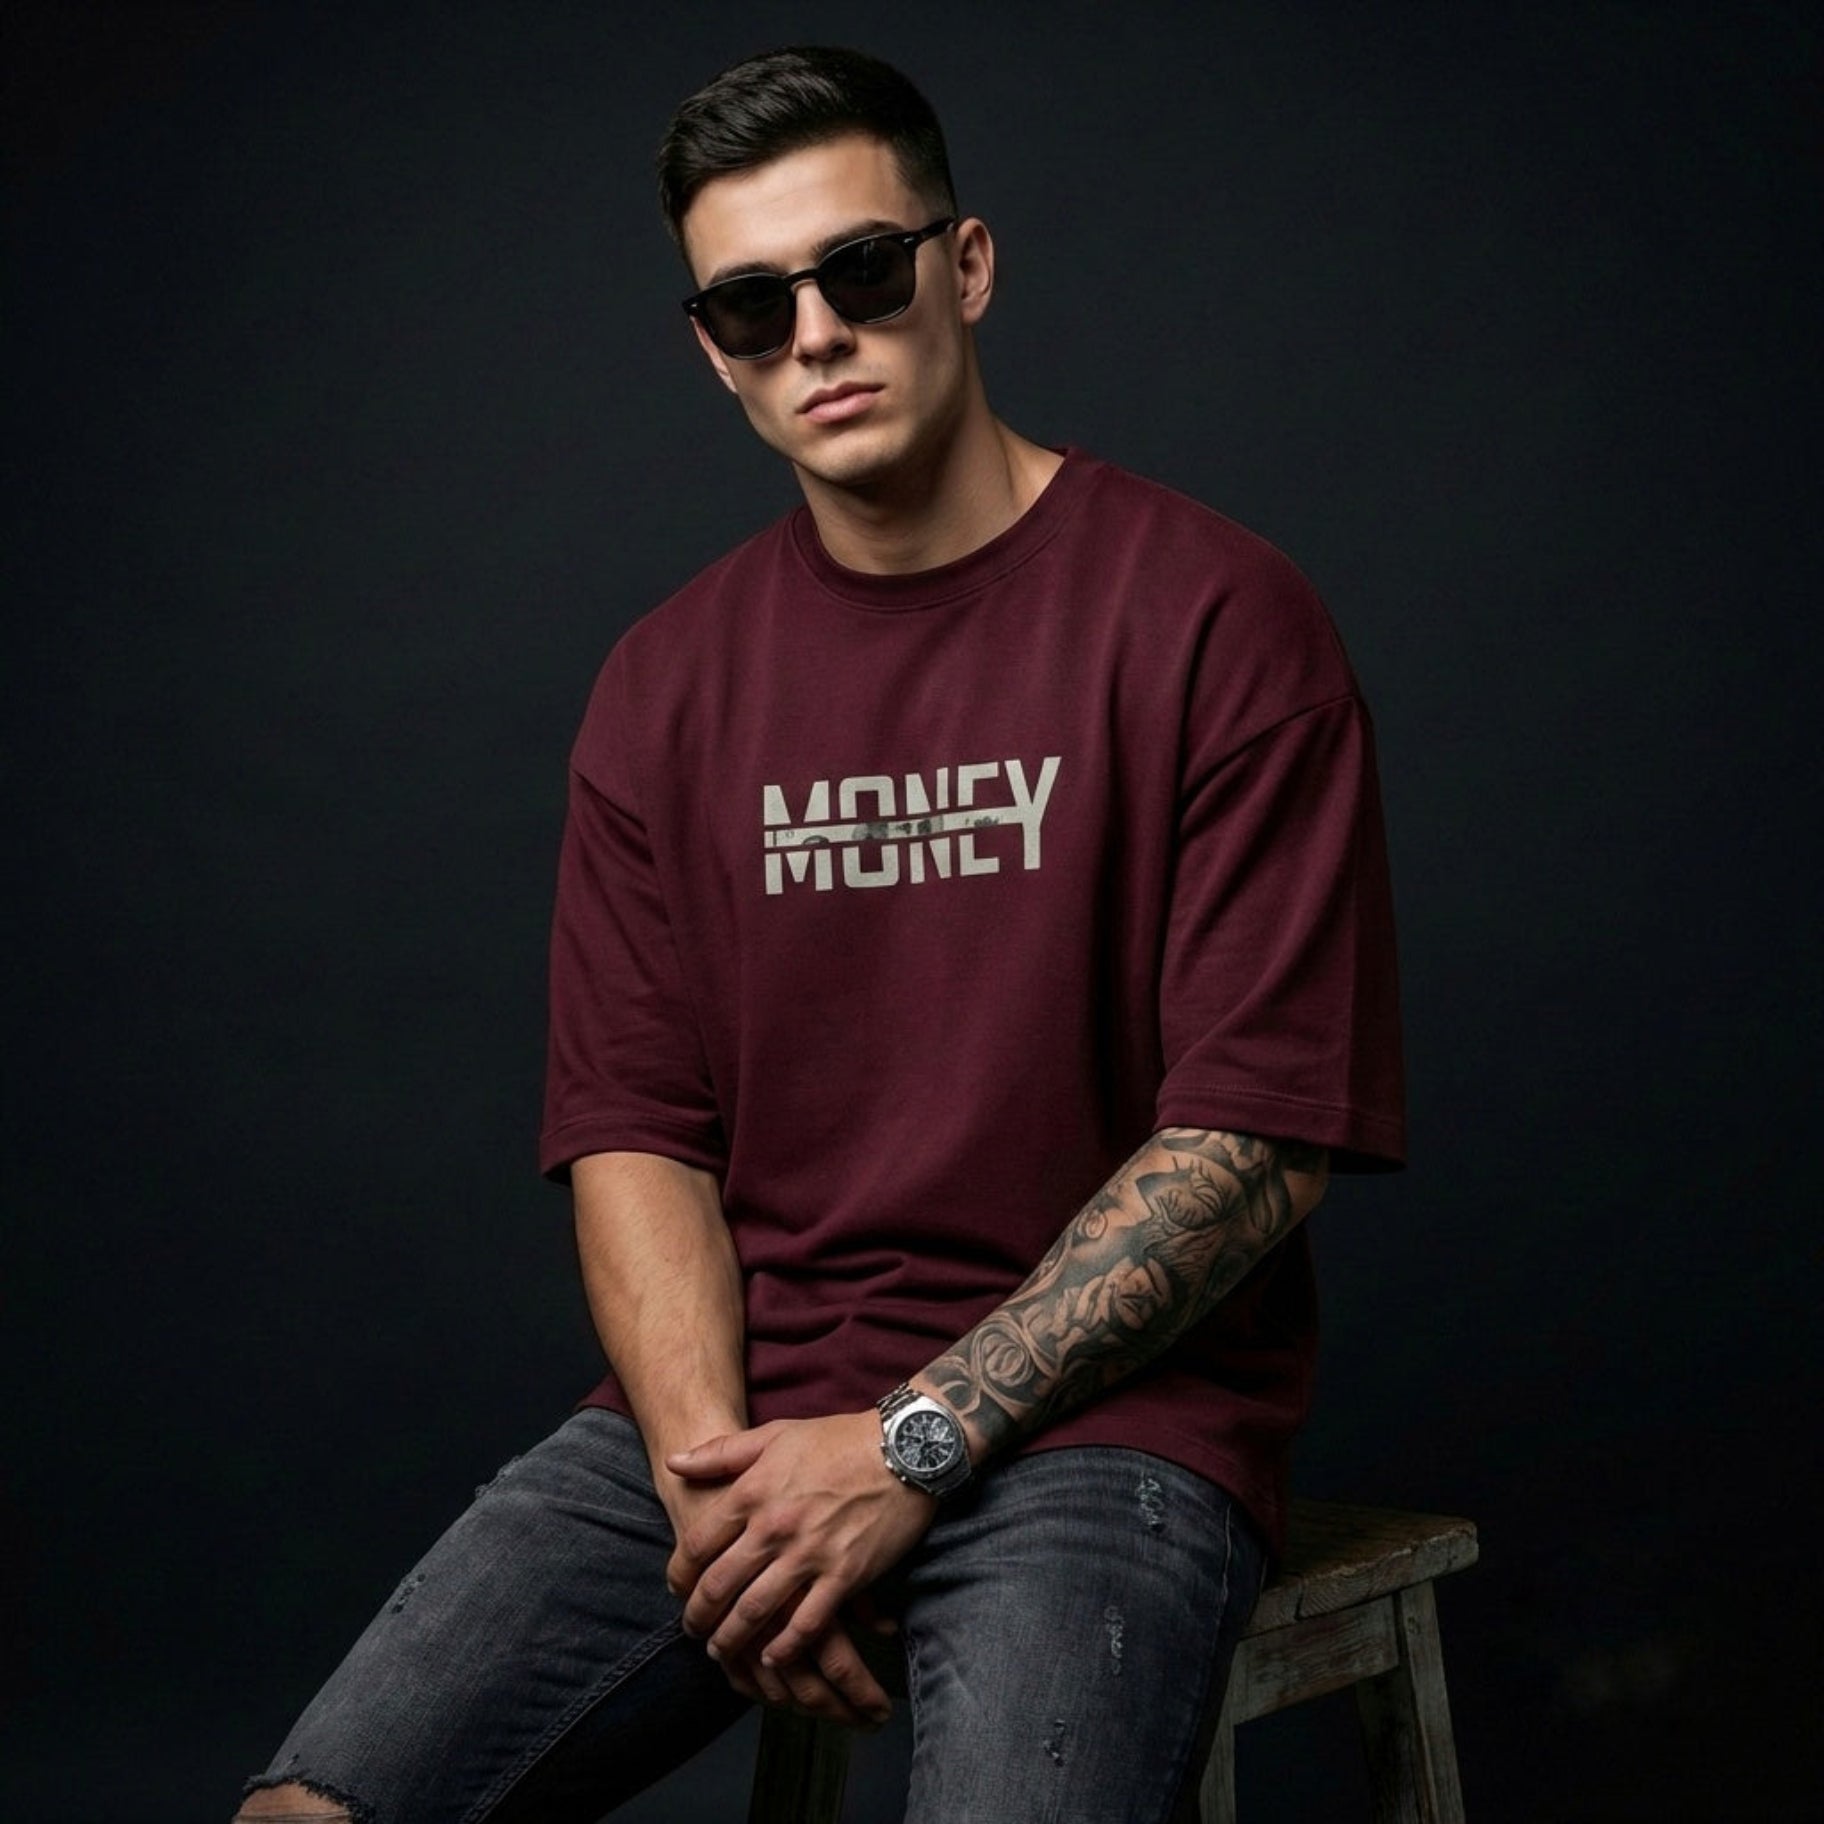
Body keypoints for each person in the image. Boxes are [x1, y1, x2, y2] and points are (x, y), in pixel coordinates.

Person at [236, 43, 1403, 1824]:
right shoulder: (665, 683)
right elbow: (633, 1130)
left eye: (862, 270)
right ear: (710, 344)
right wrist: (717, 1490)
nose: (818, 338)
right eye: (751, 305)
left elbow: (1252, 1145)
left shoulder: (1215, 616)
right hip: (743, 1413)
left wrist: (913, 1444)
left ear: (967, 265)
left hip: (1105, 1434)